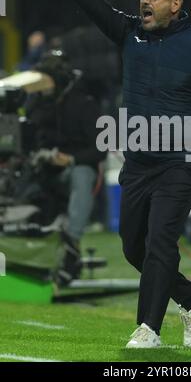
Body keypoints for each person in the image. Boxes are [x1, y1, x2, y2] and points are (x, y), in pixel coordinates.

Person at [27, 0, 191, 348]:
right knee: (134, 248)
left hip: (182, 160)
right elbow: (90, 1)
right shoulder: (129, 33)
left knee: (160, 241)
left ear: (175, 4)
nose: (144, 0)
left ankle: (148, 329)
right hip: (140, 161)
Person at [26, 50, 106, 286]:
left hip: (75, 169)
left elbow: (100, 149)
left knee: (81, 175)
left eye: (46, 78)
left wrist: (69, 159)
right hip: (43, 170)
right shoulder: (36, 104)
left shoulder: (84, 105)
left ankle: (71, 247)